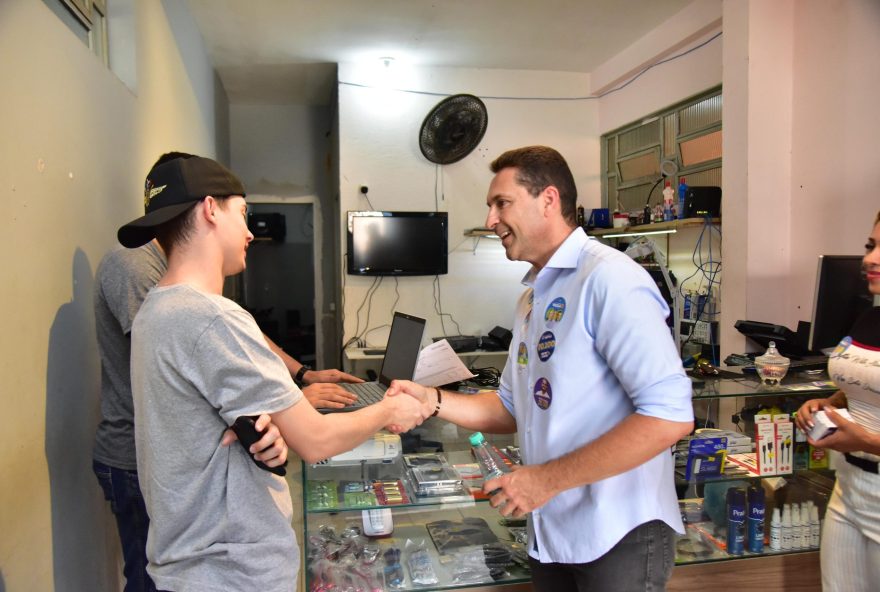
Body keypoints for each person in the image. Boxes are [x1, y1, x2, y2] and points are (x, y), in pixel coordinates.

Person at [389, 146, 694, 591]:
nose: (492, 220)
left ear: (548, 200)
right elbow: (511, 406)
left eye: (502, 204)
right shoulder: (533, 296)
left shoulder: (609, 278)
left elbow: (669, 416)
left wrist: (544, 481)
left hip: (618, 533)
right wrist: (432, 400)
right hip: (551, 529)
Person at [117, 154, 427, 591]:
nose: (248, 232)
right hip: (230, 570)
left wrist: (269, 429)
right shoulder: (211, 318)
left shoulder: (156, 309)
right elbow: (316, 440)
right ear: (210, 209)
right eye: (242, 214)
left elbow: (201, 423)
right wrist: (389, 409)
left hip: (186, 560)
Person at [795, 210, 880, 592]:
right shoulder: (870, 318)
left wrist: (862, 440)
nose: (870, 259)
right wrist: (828, 403)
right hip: (849, 490)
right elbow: (864, 384)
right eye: (871, 246)